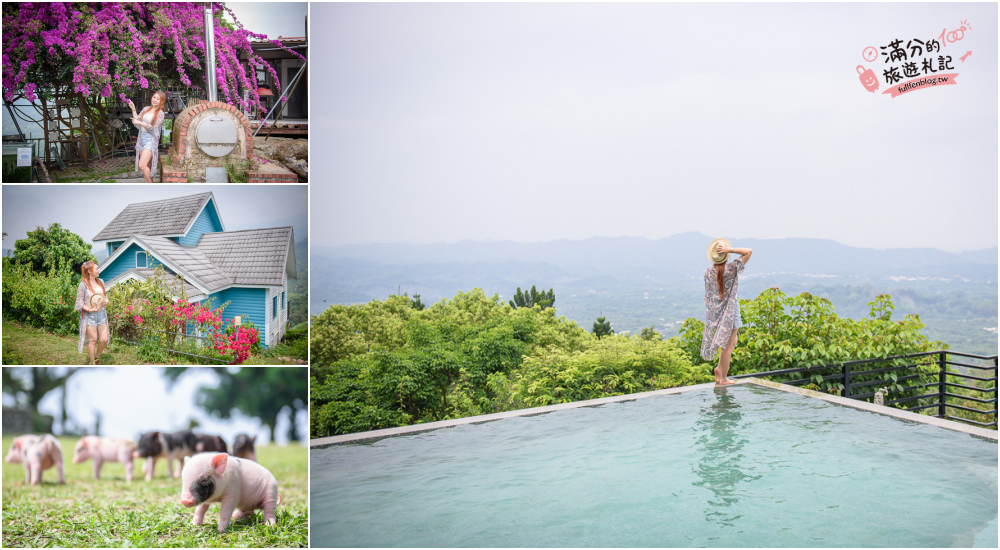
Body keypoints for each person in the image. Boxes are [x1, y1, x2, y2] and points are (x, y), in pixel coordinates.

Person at [701, 238, 752, 386]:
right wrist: (729, 250)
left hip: (717, 312)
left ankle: (720, 369)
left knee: (732, 341)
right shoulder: (730, 268)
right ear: (725, 255)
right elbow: (749, 251)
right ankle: (722, 377)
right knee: (728, 346)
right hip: (730, 309)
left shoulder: (709, 271)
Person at [74, 261, 110, 365]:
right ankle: (92, 362)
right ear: (89, 271)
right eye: (96, 269)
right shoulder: (83, 285)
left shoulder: (101, 282)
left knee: (104, 339)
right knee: (93, 340)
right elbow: (79, 303)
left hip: (101, 314)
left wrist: (106, 302)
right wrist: (89, 310)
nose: (99, 271)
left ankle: (97, 357)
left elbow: (104, 297)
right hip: (89, 316)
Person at [128, 91, 166, 182]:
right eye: (154, 97)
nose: (155, 100)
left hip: (150, 141)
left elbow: (154, 129)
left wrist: (140, 122)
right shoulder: (146, 109)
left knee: (142, 165)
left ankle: (152, 186)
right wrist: (133, 109)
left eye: (158, 99)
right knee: (146, 166)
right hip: (141, 140)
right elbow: (136, 122)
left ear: (162, 101)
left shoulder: (160, 113)